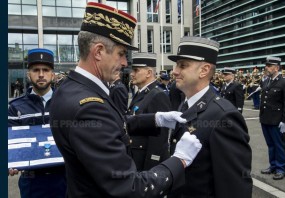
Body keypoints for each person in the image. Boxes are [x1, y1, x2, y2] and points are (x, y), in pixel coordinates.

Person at [49, 3, 202, 197]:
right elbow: (130, 187)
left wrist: (156, 119)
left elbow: (109, 125)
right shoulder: (88, 106)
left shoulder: (70, 88)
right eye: (121, 54)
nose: (124, 63)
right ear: (98, 52)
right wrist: (179, 160)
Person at [168, 36, 253, 198]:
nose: (175, 71)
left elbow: (234, 187)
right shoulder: (184, 105)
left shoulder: (224, 116)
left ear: (204, 70)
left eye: (183, 65)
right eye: (176, 65)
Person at [8, 48, 66, 198]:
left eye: (46, 70)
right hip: (32, 182)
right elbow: (9, 143)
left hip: (65, 179)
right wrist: (11, 162)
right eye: (36, 70)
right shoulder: (15, 107)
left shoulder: (66, 102)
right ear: (28, 75)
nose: (41, 74)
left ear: (53, 75)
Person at [128, 52, 171, 171]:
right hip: (135, 156)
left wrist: (152, 166)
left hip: (144, 162)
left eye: (136, 70)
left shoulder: (157, 95)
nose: (132, 74)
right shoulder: (141, 93)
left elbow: (159, 136)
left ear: (148, 73)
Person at [260, 56, 285, 180]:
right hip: (265, 118)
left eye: (269, 66)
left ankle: (281, 169)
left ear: (277, 67)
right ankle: (273, 165)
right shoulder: (266, 81)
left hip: (277, 120)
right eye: (266, 66)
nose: (266, 68)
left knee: (279, 145)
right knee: (270, 144)